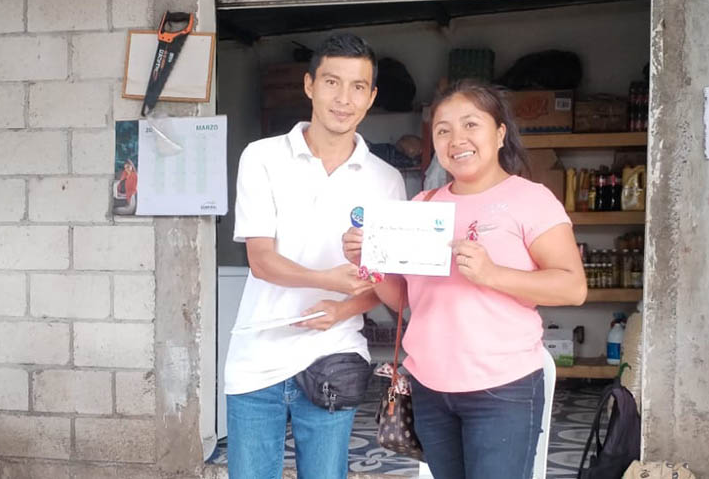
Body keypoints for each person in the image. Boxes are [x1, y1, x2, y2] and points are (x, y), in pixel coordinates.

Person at [343, 79, 587, 479]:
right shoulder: (423, 206)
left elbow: (573, 287)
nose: (457, 139)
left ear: (500, 133)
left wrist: (493, 275)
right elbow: (405, 300)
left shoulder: (531, 199)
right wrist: (369, 262)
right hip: (430, 386)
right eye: (443, 130)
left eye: (471, 124)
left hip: (502, 388)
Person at [225, 33, 406, 479]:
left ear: (371, 97)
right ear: (309, 86)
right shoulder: (262, 158)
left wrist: (342, 308)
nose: (343, 99)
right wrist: (330, 281)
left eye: (357, 86)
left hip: (333, 355)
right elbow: (261, 260)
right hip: (257, 356)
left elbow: (384, 286)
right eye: (331, 82)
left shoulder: (386, 180)